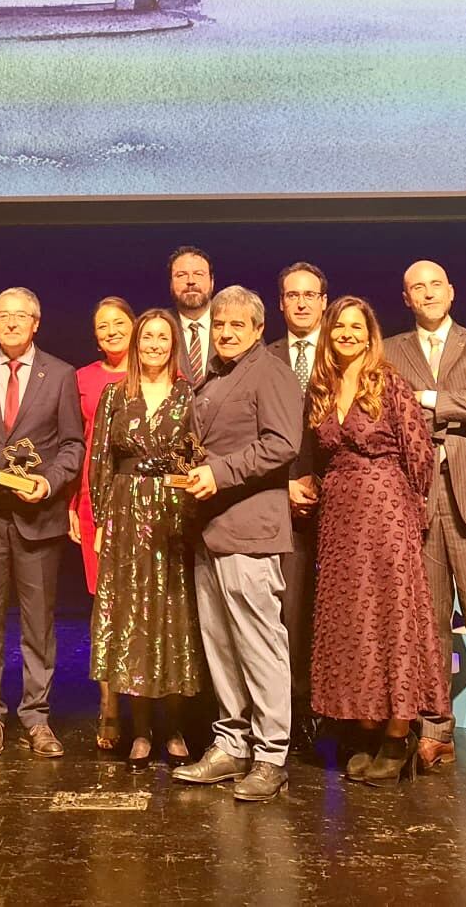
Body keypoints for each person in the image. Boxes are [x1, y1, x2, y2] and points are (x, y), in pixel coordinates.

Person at [382, 259, 466, 779]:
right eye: (416, 287)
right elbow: (391, 415)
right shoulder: (390, 350)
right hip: (417, 496)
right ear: (406, 298)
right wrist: (462, 402)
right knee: (429, 623)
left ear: (451, 291)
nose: (427, 293)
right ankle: (434, 730)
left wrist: (429, 400)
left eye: (435, 284)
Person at [305, 297, 444, 783]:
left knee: (392, 618)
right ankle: (366, 727)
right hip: (340, 516)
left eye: (355, 326)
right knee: (354, 621)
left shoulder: (389, 382)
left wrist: (406, 508)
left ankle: (397, 734)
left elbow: (421, 455)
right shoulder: (322, 387)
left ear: (370, 334)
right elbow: (319, 456)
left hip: (385, 512)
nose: (346, 333)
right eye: (338, 326)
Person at [172, 285, 301, 802]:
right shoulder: (218, 376)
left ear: (256, 329)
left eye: (236, 326)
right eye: (219, 324)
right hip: (212, 529)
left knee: (260, 645)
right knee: (222, 644)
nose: (225, 332)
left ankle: (272, 755)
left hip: (250, 528)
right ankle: (232, 745)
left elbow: (283, 444)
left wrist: (219, 472)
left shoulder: (270, 371)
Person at [0, 287, 83, 759]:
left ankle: (37, 716)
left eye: (21, 316)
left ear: (37, 323)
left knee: (38, 625)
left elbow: (74, 445)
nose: (11, 323)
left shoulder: (61, 374)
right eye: (3, 316)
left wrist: (48, 483)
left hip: (39, 515)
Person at [88, 307, 200, 764]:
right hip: (126, 514)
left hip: (174, 514)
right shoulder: (116, 394)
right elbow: (99, 460)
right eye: (147, 337)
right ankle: (139, 731)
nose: (154, 344)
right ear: (136, 345)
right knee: (132, 619)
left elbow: (196, 456)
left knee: (171, 617)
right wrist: (100, 520)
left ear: (173, 345)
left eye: (162, 338)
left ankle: (172, 728)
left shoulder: (189, 395)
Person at [74, 296, 135, 750]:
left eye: (119, 323)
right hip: (97, 506)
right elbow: (79, 447)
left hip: (149, 506)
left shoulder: (166, 373)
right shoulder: (83, 379)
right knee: (106, 607)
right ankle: (110, 706)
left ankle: (151, 710)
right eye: (102, 326)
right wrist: (74, 504)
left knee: (153, 606)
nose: (111, 331)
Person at [271, 261, 327, 757]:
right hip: (280, 503)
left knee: (333, 613)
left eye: (311, 294)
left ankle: (339, 711)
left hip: (341, 506)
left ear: (324, 302)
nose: (303, 302)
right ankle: (293, 710)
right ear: (281, 303)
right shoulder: (263, 358)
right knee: (287, 613)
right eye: (293, 295)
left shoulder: (347, 352)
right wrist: (286, 483)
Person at [169, 246, 216, 385]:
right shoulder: (158, 326)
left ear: (212, 282)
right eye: (181, 275)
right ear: (171, 284)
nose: (191, 281)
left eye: (199, 274)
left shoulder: (236, 326)